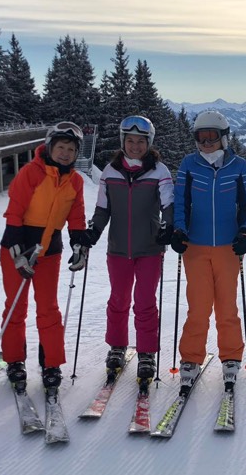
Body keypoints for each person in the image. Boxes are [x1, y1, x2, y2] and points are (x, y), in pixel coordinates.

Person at [0, 122, 91, 396]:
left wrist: (78, 243)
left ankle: (51, 363)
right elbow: (15, 208)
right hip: (19, 247)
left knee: (48, 308)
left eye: (71, 150)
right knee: (16, 306)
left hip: (50, 250)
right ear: (49, 147)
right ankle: (14, 360)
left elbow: (76, 216)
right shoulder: (31, 172)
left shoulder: (75, 181)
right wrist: (16, 246)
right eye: (61, 147)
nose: (65, 153)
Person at [171, 110, 246, 393]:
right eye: (200, 137)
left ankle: (231, 355)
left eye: (212, 136)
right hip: (194, 247)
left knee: (226, 307)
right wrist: (179, 230)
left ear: (224, 137)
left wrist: (245, 231)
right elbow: (180, 202)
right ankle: (191, 358)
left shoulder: (238, 165)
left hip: (228, 247)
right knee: (198, 307)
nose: (206, 143)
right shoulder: (189, 164)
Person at [88, 116, 175, 388]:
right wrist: (93, 231)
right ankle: (117, 346)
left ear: (149, 143)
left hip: (149, 248)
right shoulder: (110, 172)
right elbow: (102, 208)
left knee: (145, 301)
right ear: (122, 141)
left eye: (141, 141)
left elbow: (168, 204)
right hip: (117, 249)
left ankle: (146, 352)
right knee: (118, 299)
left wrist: (169, 227)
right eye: (130, 140)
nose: (135, 146)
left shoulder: (159, 171)